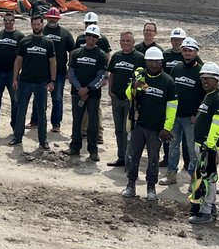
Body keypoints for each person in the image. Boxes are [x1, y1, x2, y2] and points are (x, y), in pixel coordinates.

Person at [123, 47, 177, 201]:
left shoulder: (168, 81)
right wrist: (134, 86)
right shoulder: (139, 77)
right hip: (138, 125)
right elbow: (128, 95)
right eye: (151, 61)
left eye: (157, 61)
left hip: (156, 129)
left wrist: (167, 128)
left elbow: (172, 106)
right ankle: (131, 184)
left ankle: (151, 187)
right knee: (134, 156)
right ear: (146, 62)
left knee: (153, 158)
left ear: (161, 62)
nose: (154, 64)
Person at [188, 63, 219, 226]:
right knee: (204, 178)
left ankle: (206, 212)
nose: (205, 81)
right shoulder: (210, 95)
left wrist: (209, 146)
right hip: (204, 145)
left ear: (217, 79)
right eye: (203, 78)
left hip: (211, 148)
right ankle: (210, 207)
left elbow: (218, 124)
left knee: (208, 179)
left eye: (208, 79)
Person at [10, 13, 56, 150]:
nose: (36, 26)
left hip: (42, 83)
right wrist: (15, 78)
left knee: (42, 113)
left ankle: (43, 141)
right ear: (31, 25)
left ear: (42, 24)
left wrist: (52, 81)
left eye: (38, 24)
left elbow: (53, 63)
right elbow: (18, 60)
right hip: (25, 82)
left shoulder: (48, 42)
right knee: (21, 111)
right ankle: (17, 137)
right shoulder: (25, 41)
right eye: (34, 24)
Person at [164, 37, 203, 184]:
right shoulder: (177, 68)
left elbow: (206, 96)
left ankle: (193, 178)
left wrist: (197, 115)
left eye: (190, 51)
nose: (187, 53)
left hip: (191, 118)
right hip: (175, 116)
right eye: (185, 50)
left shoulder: (200, 71)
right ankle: (171, 174)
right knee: (173, 146)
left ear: (196, 52)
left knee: (192, 150)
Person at [66, 25, 107, 161]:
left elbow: (101, 76)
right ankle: (74, 147)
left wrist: (88, 89)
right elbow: (71, 73)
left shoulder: (100, 55)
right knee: (76, 121)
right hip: (77, 93)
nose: (91, 38)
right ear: (85, 36)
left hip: (93, 95)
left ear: (97, 39)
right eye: (88, 35)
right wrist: (79, 89)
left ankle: (93, 150)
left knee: (93, 123)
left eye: (94, 36)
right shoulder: (77, 53)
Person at [105, 31, 144, 168]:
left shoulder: (139, 58)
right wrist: (110, 91)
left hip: (130, 101)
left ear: (133, 43)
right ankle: (121, 157)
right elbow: (112, 74)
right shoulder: (116, 56)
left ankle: (129, 160)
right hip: (117, 99)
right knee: (118, 130)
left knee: (128, 131)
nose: (125, 43)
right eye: (123, 41)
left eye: (128, 41)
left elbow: (143, 79)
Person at [0, 12, 22, 135]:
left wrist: (17, 73)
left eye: (10, 20)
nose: (8, 22)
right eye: (6, 20)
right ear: (3, 21)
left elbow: (22, 57)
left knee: (15, 101)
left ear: (14, 21)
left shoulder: (20, 36)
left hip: (13, 75)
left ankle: (15, 126)